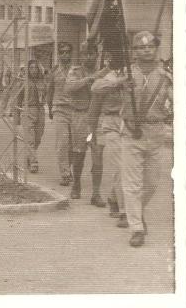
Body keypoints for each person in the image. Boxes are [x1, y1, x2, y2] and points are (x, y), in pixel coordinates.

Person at [94, 31, 172, 247]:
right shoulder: (125, 72)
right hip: (130, 133)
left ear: (156, 49)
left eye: (150, 47)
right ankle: (136, 227)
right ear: (134, 51)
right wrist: (119, 83)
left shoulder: (165, 75)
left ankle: (133, 211)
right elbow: (96, 86)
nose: (146, 50)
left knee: (152, 183)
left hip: (155, 133)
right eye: (140, 47)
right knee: (132, 185)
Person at [64, 43, 109, 203]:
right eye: (85, 54)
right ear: (81, 56)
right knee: (79, 154)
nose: (88, 57)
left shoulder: (104, 71)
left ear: (97, 54)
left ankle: (96, 193)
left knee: (98, 156)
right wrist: (91, 78)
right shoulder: (75, 71)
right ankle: (76, 184)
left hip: (98, 118)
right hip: (80, 116)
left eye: (91, 54)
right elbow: (69, 88)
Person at [91, 52, 128, 221]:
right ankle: (124, 211)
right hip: (110, 122)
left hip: (130, 123)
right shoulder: (108, 76)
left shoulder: (133, 73)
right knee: (121, 166)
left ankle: (114, 197)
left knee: (129, 166)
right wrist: (120, 82)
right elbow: (95, 88)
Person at [47, 42, 75, 186]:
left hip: (74, 110)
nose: (65, 54)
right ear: (59, 54)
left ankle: (68, 168)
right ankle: (64, 173)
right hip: (59, 109)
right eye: (62, 52)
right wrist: (50, 107)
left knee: (73, 144)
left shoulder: (76, 70)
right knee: (62, 143)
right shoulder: (54, 71)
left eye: (68, 52)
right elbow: (50, 90)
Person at [18, 60, 47, 174]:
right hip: (28, 109)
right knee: (30, 138)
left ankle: (29, 157)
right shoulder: (23, 82)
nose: (34, 70)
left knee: (37, 138)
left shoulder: (42, 81)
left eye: (36, 68)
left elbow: (47, 94)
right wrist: (17, 114)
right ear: (28, 70)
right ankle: (34, 162)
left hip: (40, 110)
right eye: (31, 68)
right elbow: (18, 98)